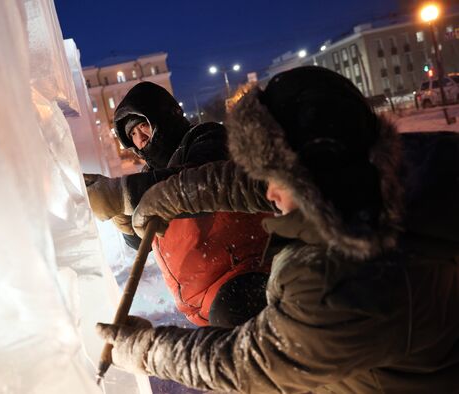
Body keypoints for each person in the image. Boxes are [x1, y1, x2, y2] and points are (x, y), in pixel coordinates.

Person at [96, 67, 459, 393]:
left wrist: (148, 351)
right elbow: (241, 183)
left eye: (275, 176)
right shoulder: (377, 169)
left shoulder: (344, 284)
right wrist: (169, 196)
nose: (267, 192)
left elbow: (246, 364)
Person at [85, 81, 273, 327]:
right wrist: (126, 222)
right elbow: (146, 242)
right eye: (133, 136)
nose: (141, 139)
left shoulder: (205, 137)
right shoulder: (151, 172)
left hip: (242, 279)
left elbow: (200, 183)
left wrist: (122, 194)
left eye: (144, 127)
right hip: (201, 303)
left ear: (163, 119)